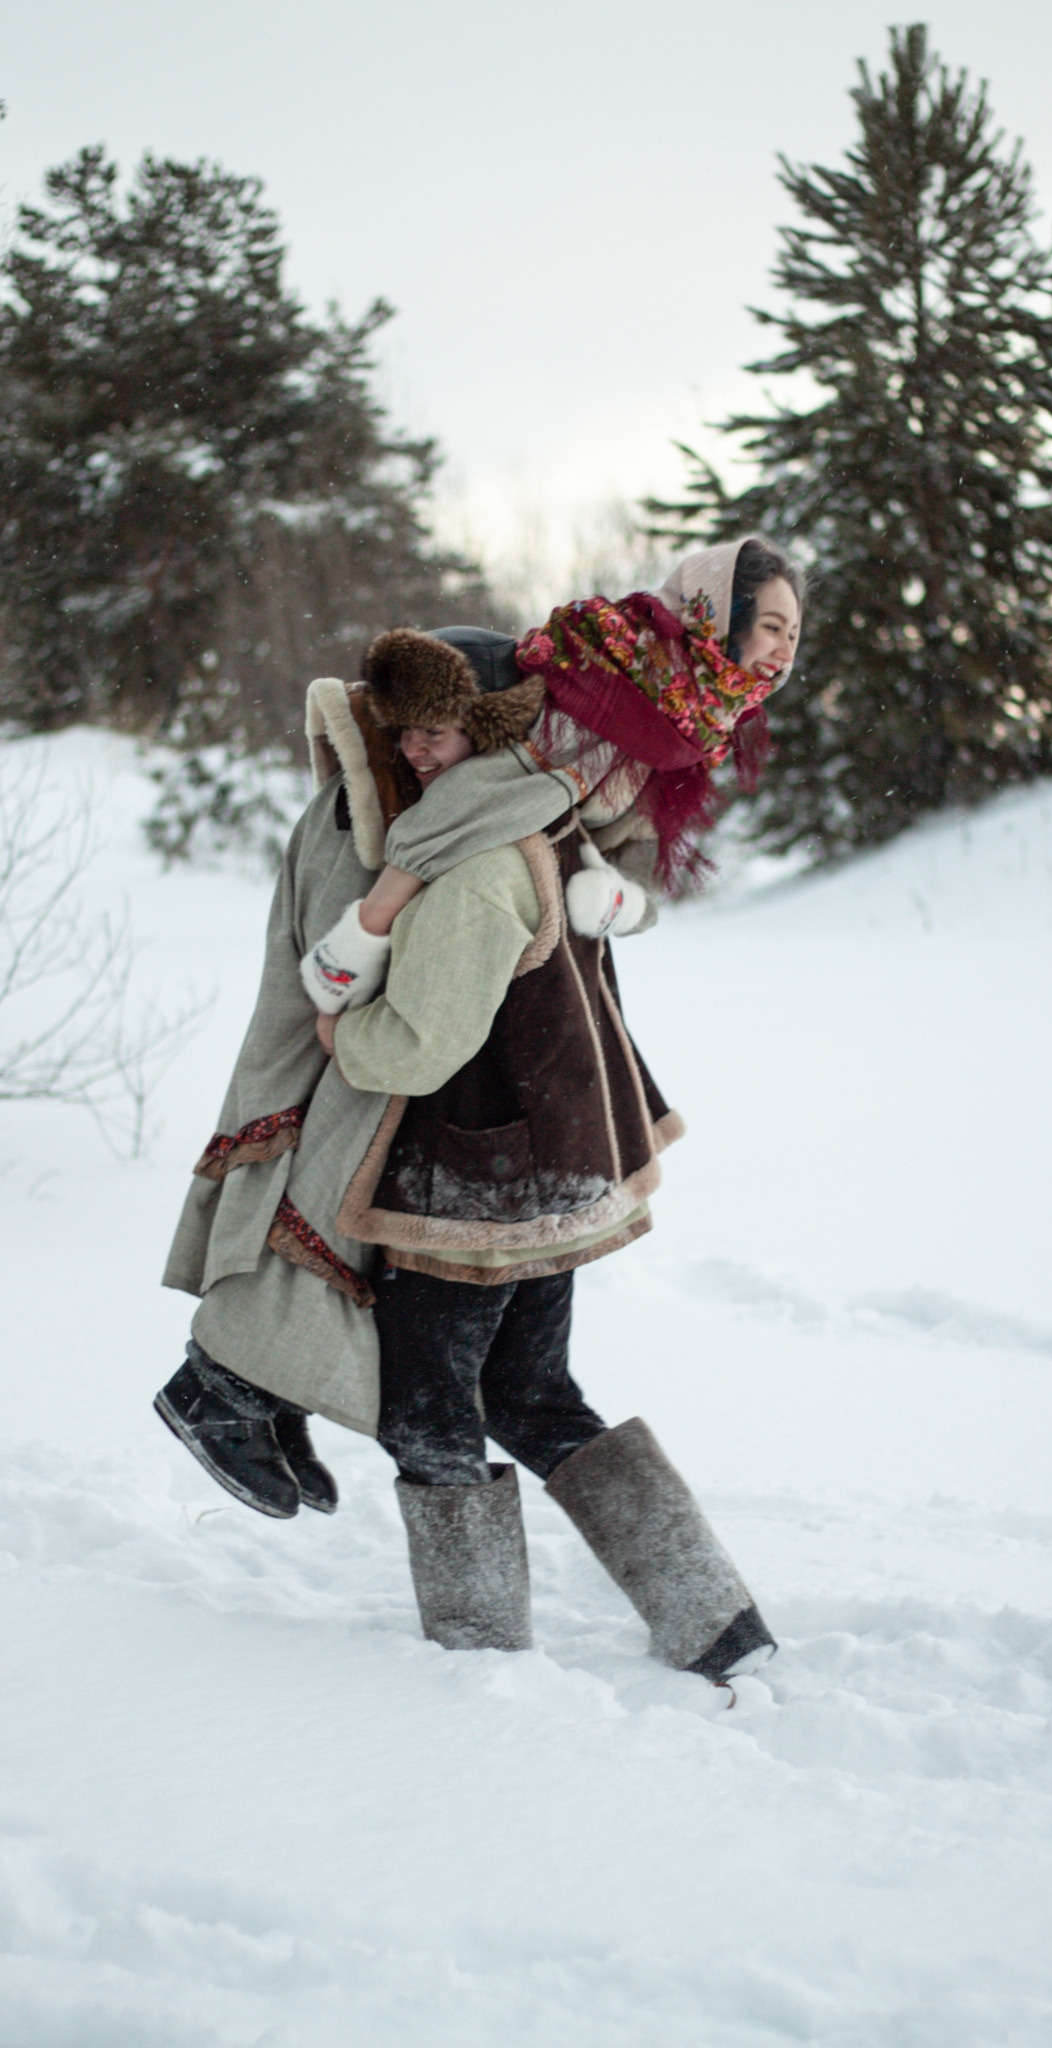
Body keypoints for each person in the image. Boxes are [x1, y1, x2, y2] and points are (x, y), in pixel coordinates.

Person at [156, 621, 778, 1681]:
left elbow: (419, 1041)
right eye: (404, 731)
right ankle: (714, 1617)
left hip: (469, 1191)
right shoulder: (543, 812)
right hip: (552, 1177)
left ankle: (480, 1653)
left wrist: (337, 1029)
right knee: (536, 1396)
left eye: (438, 730)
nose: (413, 750)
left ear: (490, 728)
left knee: (430, 1416)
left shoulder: (476, 859)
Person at [299, 536, 802, 1016]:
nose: (785, 652)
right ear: (718, 618)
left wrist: (618, 900)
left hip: (534, 942)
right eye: (773, 627)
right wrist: (357, 943)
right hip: (422, 880)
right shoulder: (608, 671)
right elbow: (471, 804)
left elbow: (641, 864)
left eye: (794, 634)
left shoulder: (699, 727)